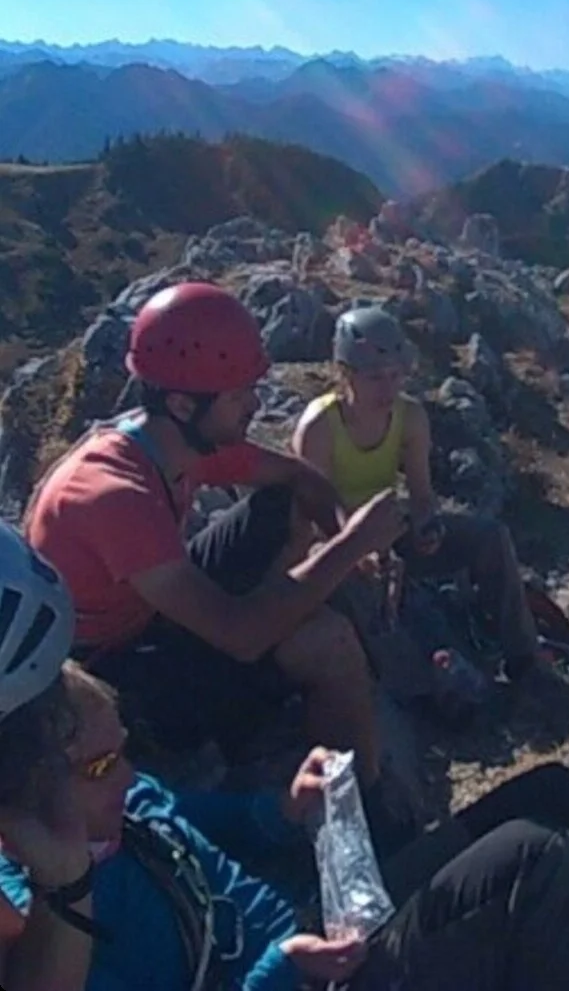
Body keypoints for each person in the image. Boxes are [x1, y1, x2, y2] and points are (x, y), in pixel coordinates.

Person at [0, 576, 569, 991]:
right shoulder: (53, 916)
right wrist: (279, 969)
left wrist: (282, 810)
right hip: (316, 979)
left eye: (124, 750)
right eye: (102, 764)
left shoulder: (124, 803)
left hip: (327, 930)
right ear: (29, 793)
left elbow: (196, 816)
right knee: (530, 861)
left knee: (551, 793)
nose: (129, 775)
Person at [23, 281, 408, 844]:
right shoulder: (113, 493)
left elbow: (299, 477)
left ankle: (280, 649)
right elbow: (239, 634)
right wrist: (350, 547)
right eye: (239, 395)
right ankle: (366, 817)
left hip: (149, 611)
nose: (254, 404)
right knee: (324, 642)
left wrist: (342, 539)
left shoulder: (167, 441)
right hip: (114, 670)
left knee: (280, 502)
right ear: (183, 403)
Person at [292, 305, 546, 688]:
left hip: (389, 527)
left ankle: (524, 658)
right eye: (376, 377)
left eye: (396, 376)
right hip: (334, 543)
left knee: (489, 536)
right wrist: (363, 550)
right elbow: (316, 513)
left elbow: (422, 494)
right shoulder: (319, 427)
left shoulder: (409, 417)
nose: (389, 388)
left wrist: (428, 527)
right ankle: (416, 684)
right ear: (345, 374)